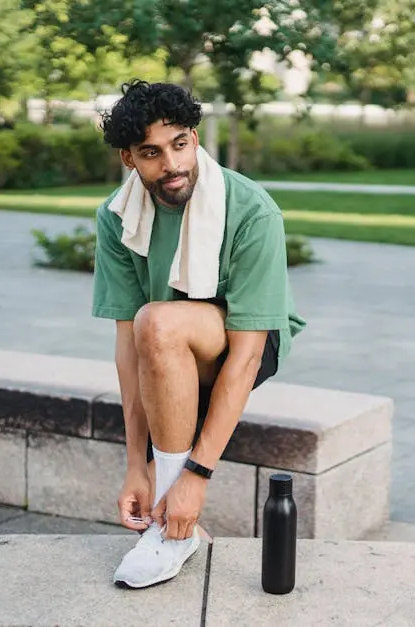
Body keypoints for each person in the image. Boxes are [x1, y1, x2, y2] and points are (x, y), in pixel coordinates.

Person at [91, 79, 305, 588]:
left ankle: (176, 525)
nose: (172, 165)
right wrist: (135, 467)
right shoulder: (117, 217)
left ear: (194, 136)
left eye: (180, 143)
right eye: (151, 152)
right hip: (163, 346)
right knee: (153, 326)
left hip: (246, 339)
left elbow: (248, 357)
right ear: (129, 159)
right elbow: (129, 351)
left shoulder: (252, 210)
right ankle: (177, 530)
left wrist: (196, 477)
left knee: (159, 319)